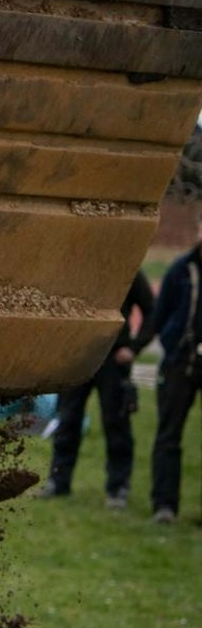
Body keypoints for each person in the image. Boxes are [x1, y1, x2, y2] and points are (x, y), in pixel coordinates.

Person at [38, 270, 156, 506]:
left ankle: (118, 488)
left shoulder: (127, 268)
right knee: (67, 419)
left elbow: (152, 311)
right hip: (76, 355)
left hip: (113, 358)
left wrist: (134, 347)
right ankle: (58, 481)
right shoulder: (79, 266)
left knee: (116, 423)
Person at [148, 215, 202, 524]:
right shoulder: (181, 270)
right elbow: (159, 316)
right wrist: (171, 345)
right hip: (180, 362)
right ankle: (164, 505)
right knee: (168, 435)